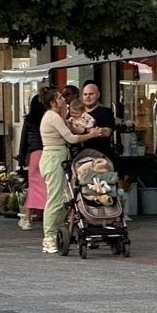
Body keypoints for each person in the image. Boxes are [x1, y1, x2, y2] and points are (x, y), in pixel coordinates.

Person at [38, 87, 109, 254]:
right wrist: (91, 135)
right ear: (52, 102)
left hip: (58, 157)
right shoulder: (52, 117)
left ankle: (55, 232)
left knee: (64, 197)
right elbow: (70, 138)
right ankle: (48, 238)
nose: (64, 99)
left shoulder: (57, 117)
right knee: (55, 199)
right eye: (60, 97)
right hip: (53, 158)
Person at [17, 94, 46, 231]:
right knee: (48, 186)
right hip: (48, 152)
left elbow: (23, 140)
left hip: (34, 153)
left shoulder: (29, 120)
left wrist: (22, 158)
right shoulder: (49, 118)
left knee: (34, 186)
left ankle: (27, 219)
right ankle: (47, 215)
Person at [81, 81, 115, 160]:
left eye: (91, 94)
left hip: (101, 156)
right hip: (81, 156)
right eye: (85, 94)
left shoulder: (105, 112)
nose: (87, 97)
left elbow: (107, 132)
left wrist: (84, 130)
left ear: (98, 95)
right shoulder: (76, 112)